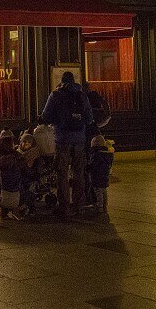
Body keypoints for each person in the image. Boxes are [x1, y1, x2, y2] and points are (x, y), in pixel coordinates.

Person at [41, 71, 94, 218]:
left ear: (61, 80)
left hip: (62, 139)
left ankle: (64, 206)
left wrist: (55, 121)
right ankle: (79, 205)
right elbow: (89, 118)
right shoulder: (81, 95)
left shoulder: (56, 95)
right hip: (79, 140)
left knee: (62, 173)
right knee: (79, 172)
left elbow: (46, 116)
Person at [0, 131, 26, 221]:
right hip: (15, 196)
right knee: (27, 189)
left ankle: (4, 210)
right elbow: (26, 171)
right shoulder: (17, 158)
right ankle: (16, 211)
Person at [87, 135, 114, 213]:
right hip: (105, 176)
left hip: (96, 177)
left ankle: (99, 207)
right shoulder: (107, 154)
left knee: (98, 192)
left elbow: (93, 166)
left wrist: (88, 168)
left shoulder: (96, 155)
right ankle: (105, 205)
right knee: (104, 191)